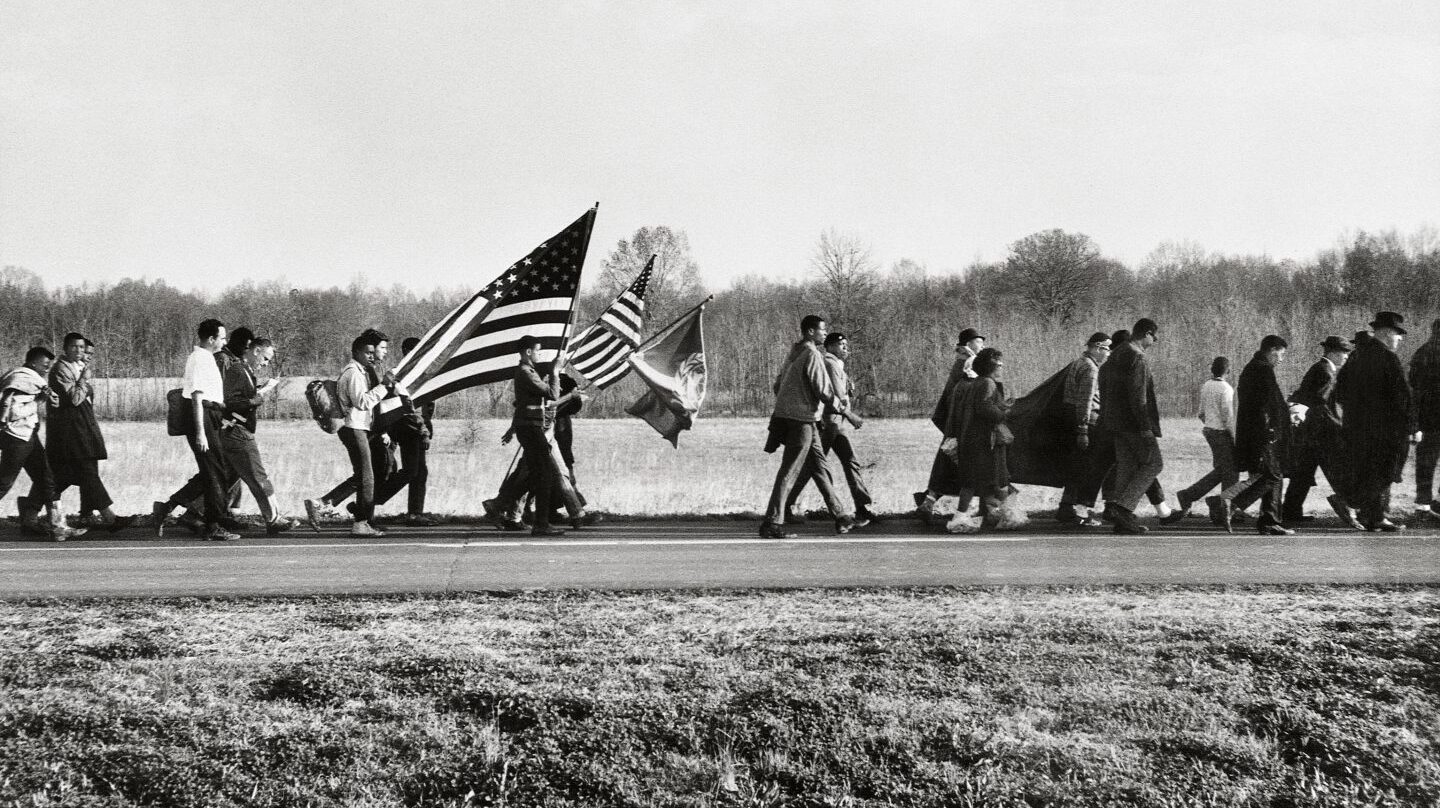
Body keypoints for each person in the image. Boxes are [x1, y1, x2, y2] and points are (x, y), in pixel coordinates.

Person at [760, 315, 859, 538]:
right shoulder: (812, 354)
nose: (825, 334)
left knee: (819, 468)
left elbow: (778, 385)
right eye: (822, 330)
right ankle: (772, 523)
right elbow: (823, 390)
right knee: (790, 470)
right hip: (801, 421)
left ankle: (841, 516)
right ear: (811, 332)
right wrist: (845, 411)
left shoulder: (794, 353)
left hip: (796, 418)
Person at [152, 319, 240, 541]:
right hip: (203, 416)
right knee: (214, 474)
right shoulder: (199, 359)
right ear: (211, 339)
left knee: (214, 471)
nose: (225, 341)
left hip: (211, 415)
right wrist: (201, 431)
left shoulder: (205, 358)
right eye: (222, 337)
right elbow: (197, 397)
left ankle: (168, 507)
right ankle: (213, 525)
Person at [304, 329, 400, 529]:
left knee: (363, 476)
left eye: (373, 353)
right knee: (367, 478)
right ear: (356, 352)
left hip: (358, 428)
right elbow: (362, 402)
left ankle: (323, 504)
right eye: (368, 353)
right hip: (353, 428)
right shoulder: (353, 373)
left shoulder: (359, 371)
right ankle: (360, 523)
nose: (372, 356)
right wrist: (384, 386)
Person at [1332, 311, 1416, 531]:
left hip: (1356, 427)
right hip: (1385, 429)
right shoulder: (1388, 358)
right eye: (1398, 334)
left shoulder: (1356, 356)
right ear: (1387, 333)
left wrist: (1355, 413)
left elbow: (1340, 391)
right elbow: (1402, 396)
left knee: (1368, 471)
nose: (1400, 339)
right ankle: (1351, 500)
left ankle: (1373, 516)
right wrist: (1411, 426)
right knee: (1386, 471)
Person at [43, 333, 133, 532]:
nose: (79, 351)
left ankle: (33, 510)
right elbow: (74, 399)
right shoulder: (62, 369)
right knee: (86, 473)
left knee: (65, 476)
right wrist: (84, 380)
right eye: (74, 347)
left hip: (82, 428)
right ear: (65, 349)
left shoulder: (77, 367)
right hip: (71, 431)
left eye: (82, 348)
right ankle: (109, 518)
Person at [784, 332, 877, 524]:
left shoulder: (836, 365)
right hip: (829, 423)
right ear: (831, 346)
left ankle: (862, 507)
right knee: (814, 467)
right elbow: (834, 395)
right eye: (842, 344)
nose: (846, 348)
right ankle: (785, 505)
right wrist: (850, 414)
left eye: (846, 344)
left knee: (849, 461)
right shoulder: (830, 363)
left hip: (836, 423)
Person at [2, 346, 87, 540]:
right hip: (17, 438)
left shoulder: (24, 378)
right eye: (44, 365)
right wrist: (39, 401)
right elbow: (13, 411)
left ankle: (58, 526)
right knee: (4, 483)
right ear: (33, 363)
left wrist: (40, 399)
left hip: (28, 437)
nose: (46, 369)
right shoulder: (23, 379)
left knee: (46, 479)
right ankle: (56, 526)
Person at [1218, 336, 1295, 535]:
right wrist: (1270, 429)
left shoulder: (1255, 368)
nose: (1282, 359)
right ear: (1272, 350)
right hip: (1263, 434)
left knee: (1273, 474)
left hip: (1259, 432)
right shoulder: (1261, 370)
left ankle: (1269, 520)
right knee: (1273, 474)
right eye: (1281, 354)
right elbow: (1263, 405)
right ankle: (1232, 502)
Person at [1283, 336, 1359, 528]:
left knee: (1303, 473)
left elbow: (1304, 395)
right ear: (1332, 353)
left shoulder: (1320, 368)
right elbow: (1320, 405)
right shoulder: (1325, 372)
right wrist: (1338, 426)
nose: (1346, 357)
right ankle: (1345, 504)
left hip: (1310, 433)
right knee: (1337, 470)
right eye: (1343, 353)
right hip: (1320, 433)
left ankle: (1291, 512)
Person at [221, 337, 295, 535]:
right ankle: (274, 518)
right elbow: (233, 402)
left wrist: (259, 392)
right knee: (257, 476)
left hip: (233, 430)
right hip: (238, 431)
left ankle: (195, 513)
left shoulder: (244, 370)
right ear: (256, 351)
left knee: (227, 477)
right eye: (266, 358)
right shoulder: (239, 370)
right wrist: (258, 398)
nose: (266, 363)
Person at [1098, 317, 1163, 535]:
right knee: (1153, 464)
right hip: (1133, 423)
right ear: (1146, 334)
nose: (1155, 340)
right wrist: (1145, 425)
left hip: (1114, 423)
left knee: (1126, 467)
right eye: (1154, 336)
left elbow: (1103, 383)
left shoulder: (1114, 355)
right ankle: (1124, 508)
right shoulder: (1137, 357)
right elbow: (1138, 397)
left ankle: (1120, 519)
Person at [914, 327, 985, 516]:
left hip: (956, 422)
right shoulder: (968, 363)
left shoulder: (963, 361)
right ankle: (985, 508)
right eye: (979, 341)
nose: (982, 345)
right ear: (968, 344)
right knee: (959, 463)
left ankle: (928, 501)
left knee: (949, 464)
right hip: (962, 423)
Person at [1163, 357, 1239, 526]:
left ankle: (1192, 496)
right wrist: (1234, 438)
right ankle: (1223, 509)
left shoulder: (1206, 385)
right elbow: (1228, 418)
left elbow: (1201, 413)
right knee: (1232, 472)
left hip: (1209, 431)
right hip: (1221, 433)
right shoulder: (1226, 389)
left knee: (1223, 470)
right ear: (1228, 371)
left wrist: (1210, 426)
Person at [943, 347, 1012, 526]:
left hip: (974, 439)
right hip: (986, 441)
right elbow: (984, 407)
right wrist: (1003, 412)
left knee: (971, 480)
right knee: (1000, 477)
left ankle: (962, 516)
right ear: (991, 366)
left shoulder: (977, 382)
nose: (1001, 367)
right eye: (999, 364)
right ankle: (1006, 515)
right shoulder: (988, 383)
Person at [510, 335, 565, 537]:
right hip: (530, 428)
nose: (540, 354)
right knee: (544, 474)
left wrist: (550, 367)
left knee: (536, 473)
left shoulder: (528, 371)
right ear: (528, 352)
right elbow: (553, 394)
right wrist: (555, 371)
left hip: (529, 427)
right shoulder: (526, 373)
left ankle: (502, 505)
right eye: (538, 351)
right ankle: (541, 524)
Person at [1055, 332, 1110, 526]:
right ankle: (1081, 512)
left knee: (1076, 467)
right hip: (1088, 422)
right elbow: (1085, 401)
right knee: (1088, 469)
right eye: (1106, 349)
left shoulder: (1078, 363)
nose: (1108, 353)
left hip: (1071, 418)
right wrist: (1083, 429)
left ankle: (1066, 507)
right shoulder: (1091, 369)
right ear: (1096, 348)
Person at [1408, 319, 1440, 521]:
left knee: (1425, 465)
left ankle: (1423, 505)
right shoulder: (1426, 354)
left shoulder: (1422, 353)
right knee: (1427, 464)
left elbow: (1414, 386)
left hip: (1427, 418)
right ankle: (1430, 504)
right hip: (1430, 418)